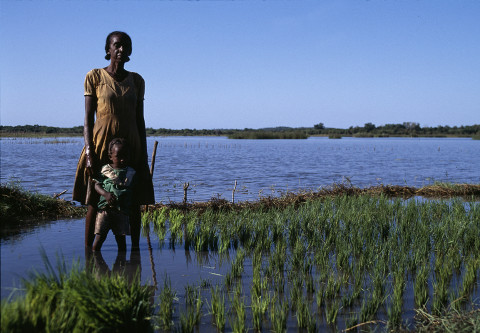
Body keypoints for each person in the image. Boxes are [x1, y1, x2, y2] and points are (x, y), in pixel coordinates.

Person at [73, 31, 154, 250]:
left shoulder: (137, 80)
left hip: (131, 146)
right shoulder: (95, 76)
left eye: (126, 46)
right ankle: (89, 252)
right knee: (94, 198)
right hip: (100, 146)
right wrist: (89, 152)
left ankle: (135, 252)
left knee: (134, 199)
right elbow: (88, 118)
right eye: (117, 45)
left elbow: (140, 119)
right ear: (108, 49)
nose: (121, 49)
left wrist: (144, 156)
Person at [92, 138, 135, 252]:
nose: (122, 160)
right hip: (105, 210)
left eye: (125, 156)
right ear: (111, 156)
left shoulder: (130, 172)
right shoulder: (105, 170)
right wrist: (105, 194)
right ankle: (94, 260)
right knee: (100, 237)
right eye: (118, 156)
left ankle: (122, 265)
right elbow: (97, 185)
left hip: (121, 211)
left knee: (121, 240)